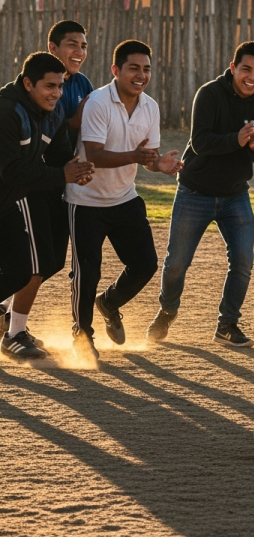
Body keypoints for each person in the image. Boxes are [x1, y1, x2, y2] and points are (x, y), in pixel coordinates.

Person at [147, 41, 254, 347]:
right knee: (177, 262)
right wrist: (238, 139)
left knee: (243, 260)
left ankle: (227, 324)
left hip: (235, 196)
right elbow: (202, 142)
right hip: (195, 191)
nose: (252, 77)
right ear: (233, 68)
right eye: (246, 69)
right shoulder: (209, 93)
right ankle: (167, 311)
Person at [67, 40, 183, 361]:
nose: (141, 75)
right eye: (133, 68)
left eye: (146, 69)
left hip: (124, 198)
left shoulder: (150, 107)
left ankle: (109, 303)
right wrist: (137, 156)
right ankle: (82, 334)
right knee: (86, 273)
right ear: (116, 70)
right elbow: (93, 155)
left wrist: (158, 165)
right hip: (86, 201)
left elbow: (147, 156)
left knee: (145, 263)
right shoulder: (98, 102)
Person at [0, 20, 94, 327]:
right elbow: (11, 169)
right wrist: (62, 175)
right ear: (29, 84)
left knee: (25, 269)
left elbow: (58, 154)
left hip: (11, 198)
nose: (57, 94)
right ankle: (15, 333)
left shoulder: (52, 112)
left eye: (61, 86)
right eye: (50, 86)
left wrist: (79, 170)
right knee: (29, 266)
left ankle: (10, 326)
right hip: (16, 191)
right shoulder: (8, 111)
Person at [47, 19, 93, 147]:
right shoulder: (39, 83)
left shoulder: (82, 82)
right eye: (72, 45)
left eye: (83, 47)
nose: (80, 52)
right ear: (53, 48)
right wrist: (75, 121)